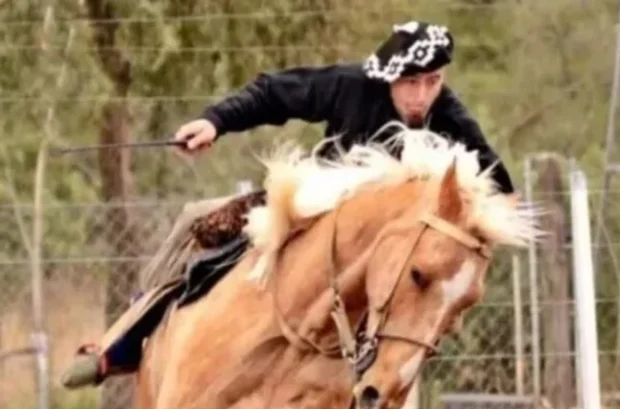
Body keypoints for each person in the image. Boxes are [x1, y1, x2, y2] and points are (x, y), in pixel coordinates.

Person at [60, 20, 516, 389]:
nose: (420, 96)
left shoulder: (449, 113)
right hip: (315, 206)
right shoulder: (350, 85)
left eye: (432, 82)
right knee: (197, 219)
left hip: (378, 252)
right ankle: (122, 345)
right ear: (389, 77)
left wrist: (496, 217)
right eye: (410, 82)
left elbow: (495, 176)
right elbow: (275, 92)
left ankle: (366, 394)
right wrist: (215, 121)